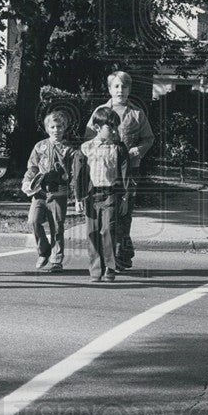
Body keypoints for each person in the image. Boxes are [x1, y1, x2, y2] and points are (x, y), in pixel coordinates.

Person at [83, 71, 154, 271]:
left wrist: (137, 151)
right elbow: (89, 138)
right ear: (109, 89)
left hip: (129, 170)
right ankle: (112, 256)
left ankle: (122, 252)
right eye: (116, 86)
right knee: (106, 217)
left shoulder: (137, 113)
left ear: (129, 89)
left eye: (124, 87)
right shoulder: (100, 111)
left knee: (124, 211)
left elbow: (149, 138)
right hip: (103, 171)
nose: (120, 90)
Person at [75, 106, 131, 283]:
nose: (114, 131)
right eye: (110, 127)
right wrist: (78, 198)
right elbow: (79, 175)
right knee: (92, 232)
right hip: (91, 195)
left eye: (116, 127)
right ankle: (95, 269)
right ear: (97, 128)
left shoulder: (119, 148)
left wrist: (124, 197)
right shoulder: (86, 148)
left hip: (111, 195)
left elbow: (126, 174)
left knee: (108, 230)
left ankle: (110, 267)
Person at [22, 110, 76, 273]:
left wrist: (73, 187)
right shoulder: (40, 146)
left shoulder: (69, 150)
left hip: (58, 193)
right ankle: (43, 251)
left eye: (59, 126)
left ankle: (56, 259)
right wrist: (27, 180)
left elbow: (75, 171)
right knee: (33, 221)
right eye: (52, 127)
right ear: (47, 128)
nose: (56, 130)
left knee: (57, 226)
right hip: (39, 192)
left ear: (65, 127)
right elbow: (32, 166)